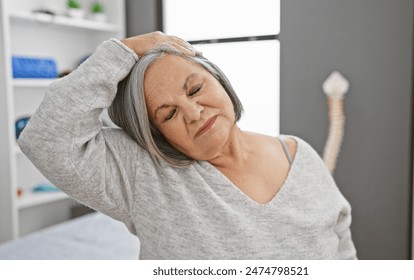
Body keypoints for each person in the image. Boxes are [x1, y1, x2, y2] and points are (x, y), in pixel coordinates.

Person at [18, 32, 357, 260]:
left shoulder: (299, 153)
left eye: (195, 89)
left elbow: (342, 244)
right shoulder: (144, 173)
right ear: (157, 135)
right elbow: (47, 139)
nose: (194, 113)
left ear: (219, 79)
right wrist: (124, 50)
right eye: (168, 114)